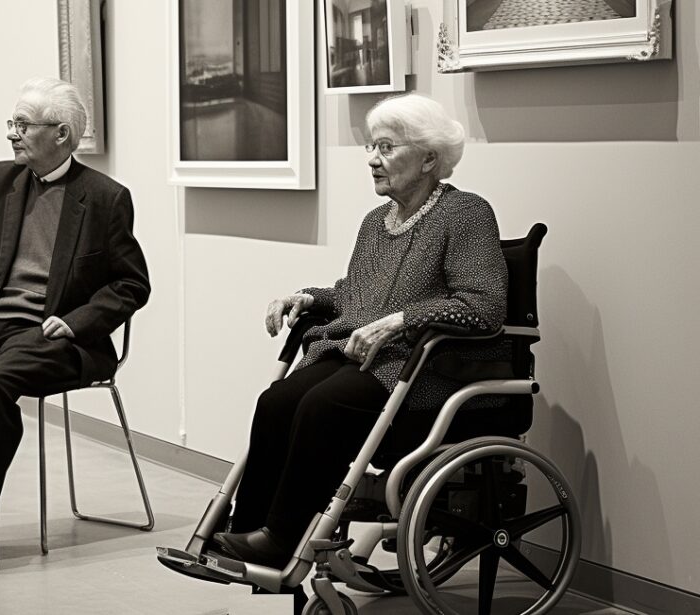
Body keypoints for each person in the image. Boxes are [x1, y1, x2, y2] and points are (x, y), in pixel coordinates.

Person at [212, 94, 508, 570]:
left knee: (321, 406)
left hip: (422, 368)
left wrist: (400, 321)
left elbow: (484, 305)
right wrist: (307, 297)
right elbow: (355, 293)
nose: (372, 159)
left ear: (429, 158)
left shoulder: (466, 214)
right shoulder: (377, 221)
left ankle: (282, 537)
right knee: (276, 401)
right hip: (361, 352)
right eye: (371, 147)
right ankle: (246, 530)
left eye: (386, 148)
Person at [0, 77, 150, 580]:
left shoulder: (104, 197)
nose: (12, 134)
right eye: (11, 123)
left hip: (54, 332)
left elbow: (131, 284)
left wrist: (77, 320)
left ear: (61, 134)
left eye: (22, 125)